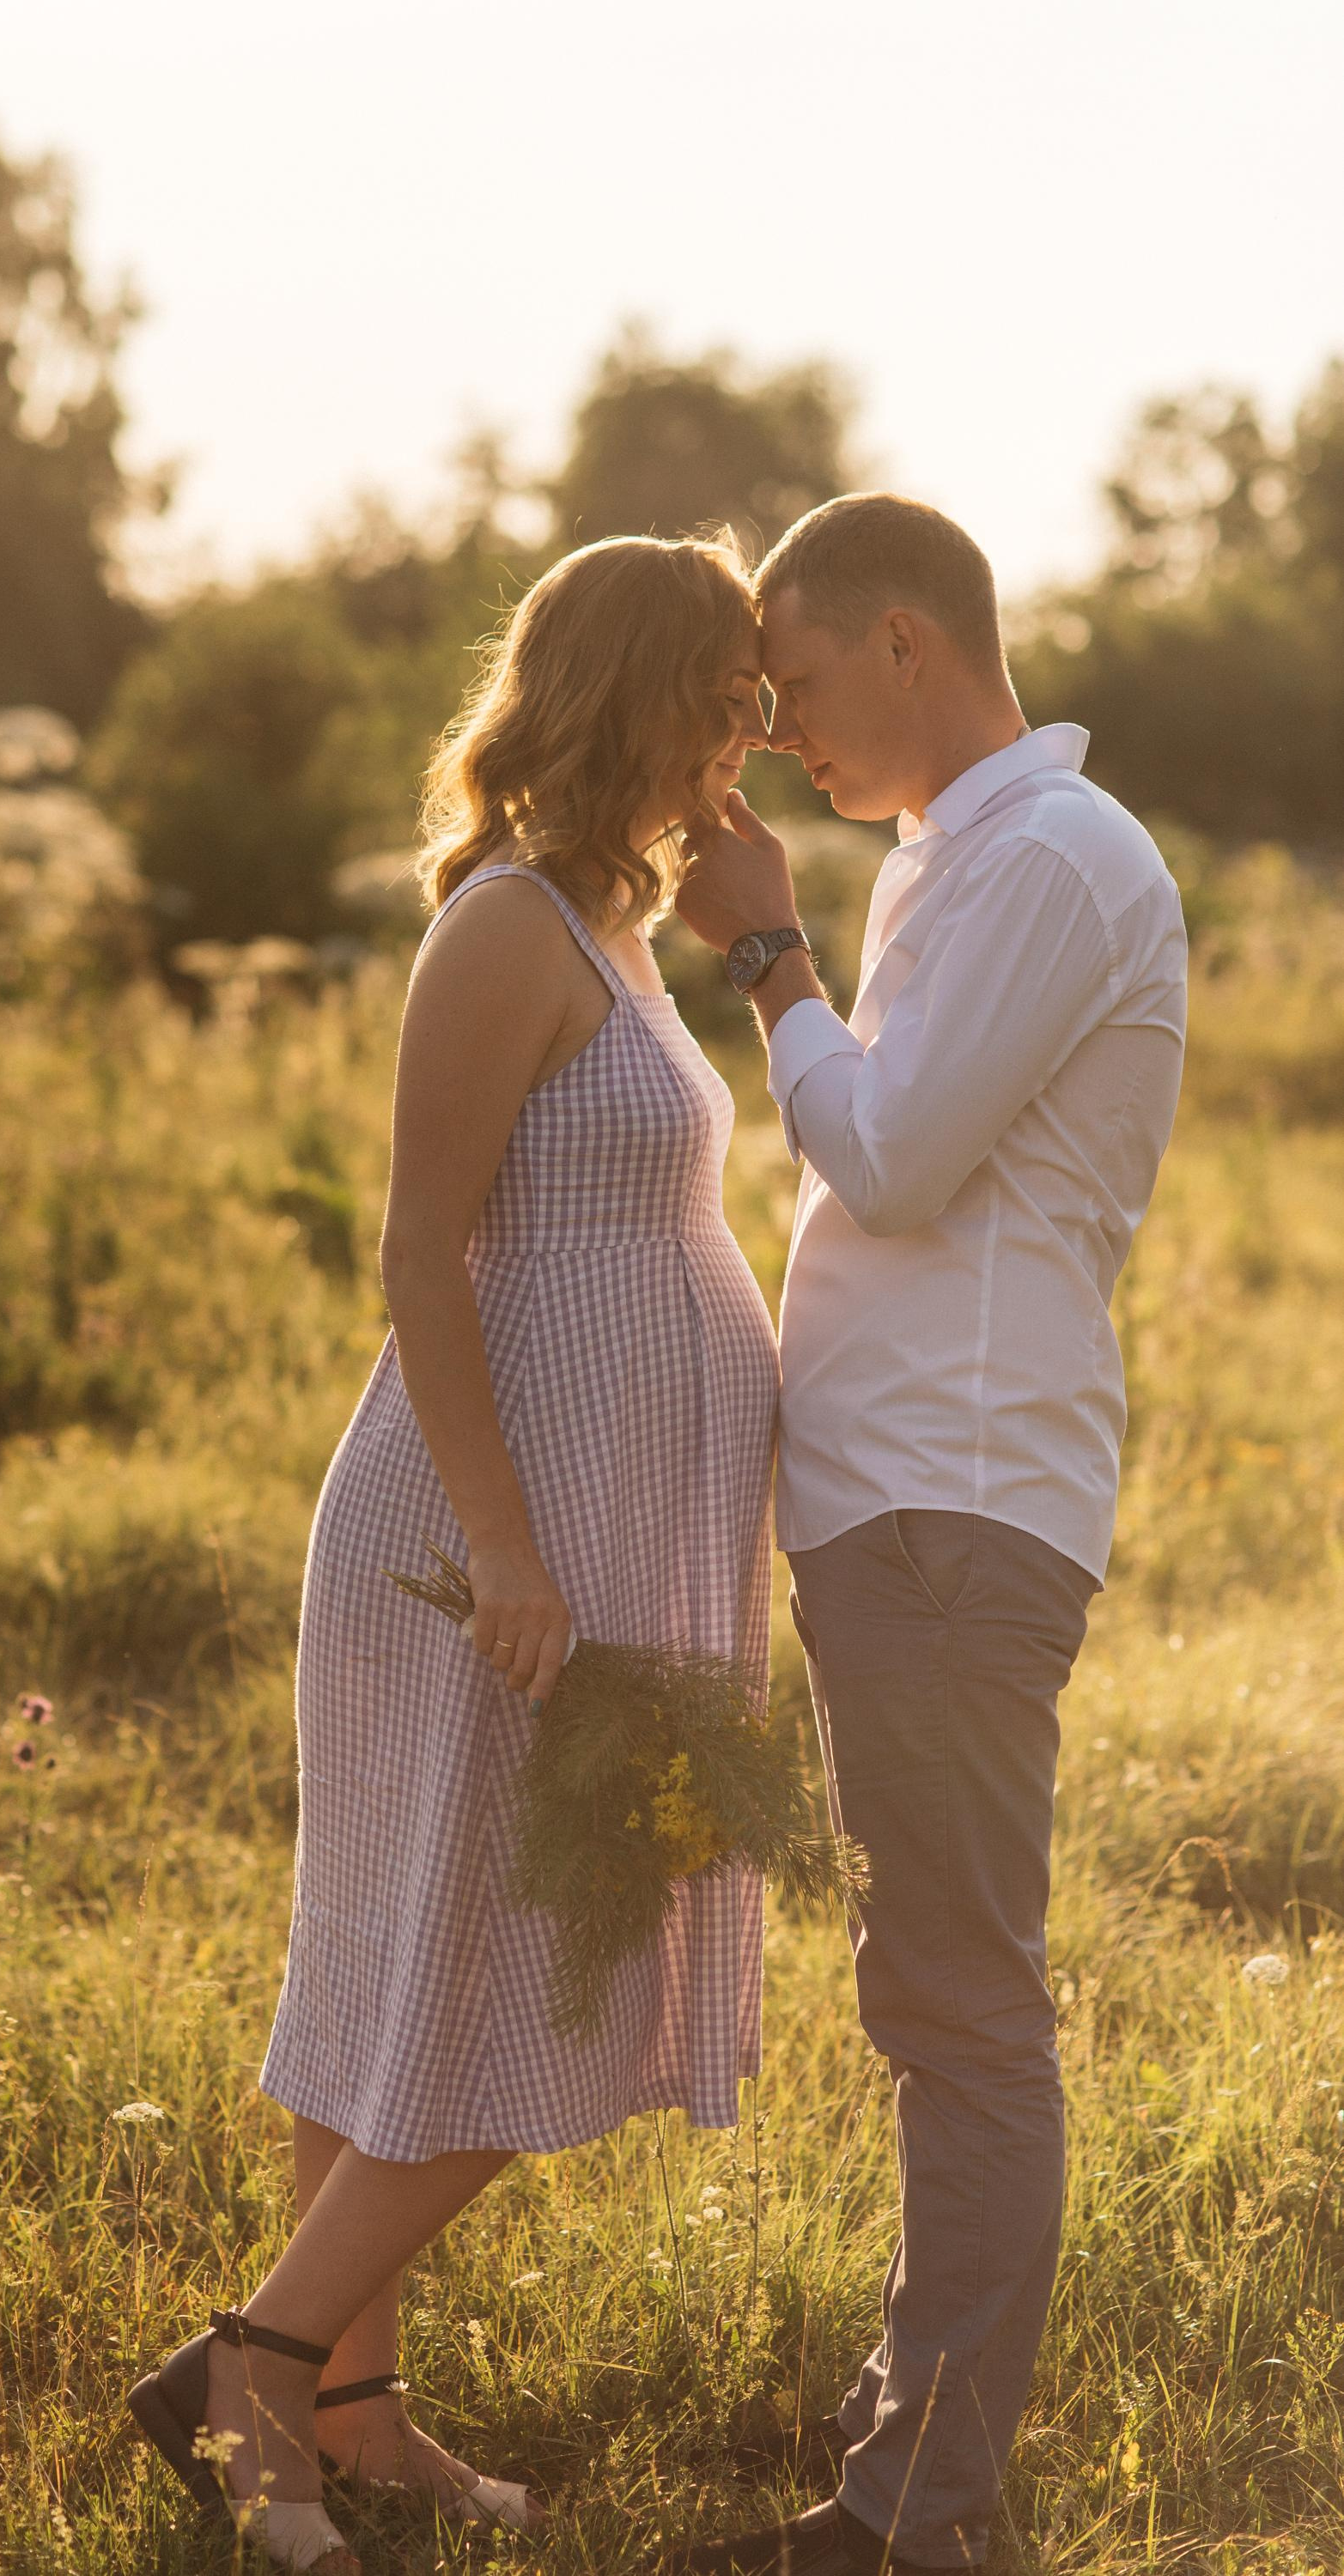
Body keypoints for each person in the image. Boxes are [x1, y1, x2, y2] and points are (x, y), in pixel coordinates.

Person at [127, 532, 781, 2573]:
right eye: (724, 698)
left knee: (429, 1949)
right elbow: (423, 1256)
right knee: (518, 1955)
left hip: (596, 1531)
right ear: (632, 695)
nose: (747, 737)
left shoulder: (622, 920)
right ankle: (257, 2362)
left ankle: (345, 2414)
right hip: (476, 1542)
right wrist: (506, 1550)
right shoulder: (506, 925)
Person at [667, 494, 1188, 2576]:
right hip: (901, 1505)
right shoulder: (954, 862)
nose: (774, 729)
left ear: (905, 638)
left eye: (787, 681)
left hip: (960, 1505)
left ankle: (916, 2523)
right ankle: (906, 2484)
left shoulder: (1056, 858)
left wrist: (767, 956)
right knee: (928, 1994)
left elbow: (881, 1162)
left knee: (958, 2007)